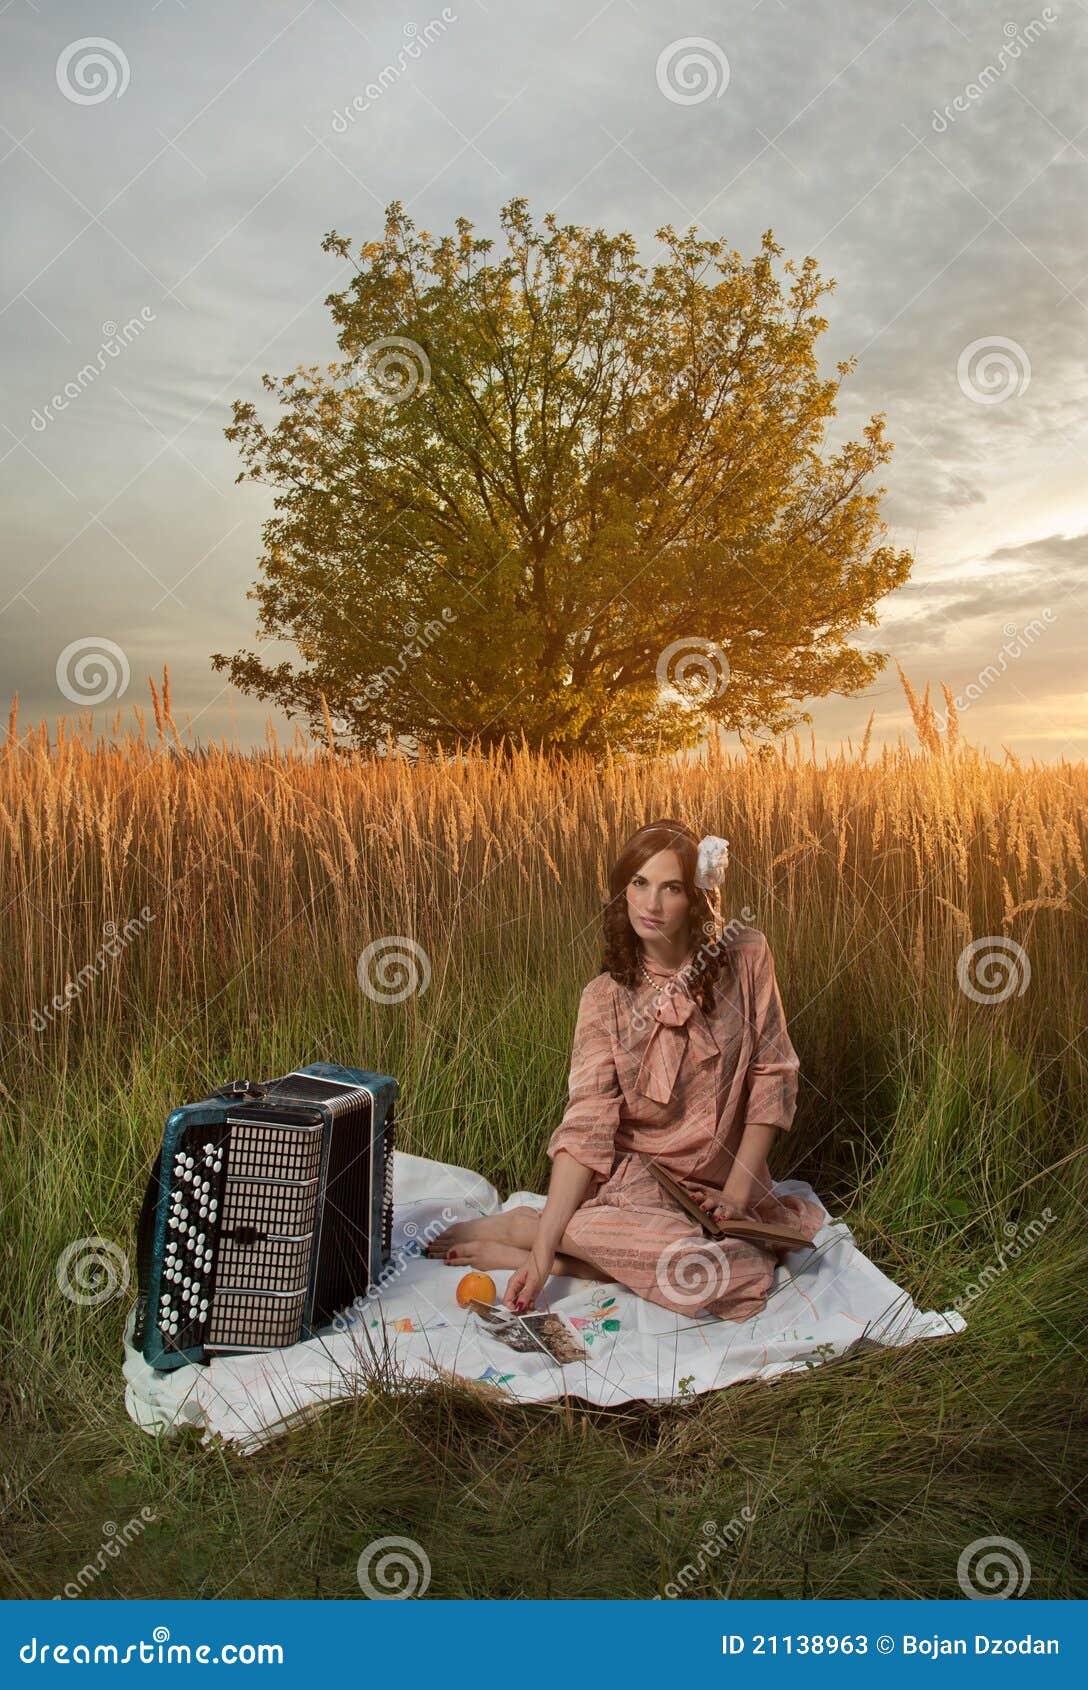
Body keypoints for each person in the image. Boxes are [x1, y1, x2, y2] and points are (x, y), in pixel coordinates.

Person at [426, 818, 825, 1321]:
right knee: (700, 1270)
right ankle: (538, 1236)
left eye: (671, 888)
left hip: (724, 1184)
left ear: (696, 898)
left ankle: (533, 1233)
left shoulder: (746, 956)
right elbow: (588, 1121)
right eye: (638, 883)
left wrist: (740, 1193)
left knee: (740, 1274)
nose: (651, 905)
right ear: (623, 891)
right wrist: (545, 1254)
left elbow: (773, 1072)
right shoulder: (604, 998)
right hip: (638, 1182)